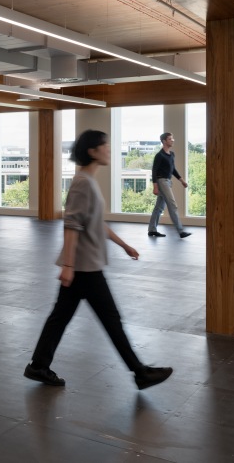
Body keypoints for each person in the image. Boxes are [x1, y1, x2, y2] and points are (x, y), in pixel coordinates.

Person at [24, 129, 173, 390]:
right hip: (84, 268)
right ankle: (139, 372)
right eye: (105, 146)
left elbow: (95, 222)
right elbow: (71, 224)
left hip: (85, 266)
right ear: (92, 151)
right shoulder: (83, 183)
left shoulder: (87, 182)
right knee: (109, 319)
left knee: (61, 317)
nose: (108, 150)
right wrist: (68, 266)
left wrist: (124, 245)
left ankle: (38, 366)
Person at [147, 132, 191, 239]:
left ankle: (152, 230)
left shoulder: (172, 154)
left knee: (159, 207)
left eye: (172, 139)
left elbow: (173, 169)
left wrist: (182, 180)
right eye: (170, 139)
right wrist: (155, 186)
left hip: (168, 181)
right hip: (161, 181)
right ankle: (180, 231)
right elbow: (154, 171)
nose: (173, 140)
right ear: (164, 141)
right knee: (173, 205)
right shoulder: (159, 155)